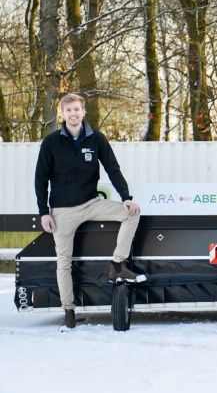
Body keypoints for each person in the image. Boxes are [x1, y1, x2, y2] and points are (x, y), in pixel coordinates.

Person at [34, 93, 145, 330]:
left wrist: (126, 198)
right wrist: (44, 212)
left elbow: (113, 169)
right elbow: (40, 179)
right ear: (62, 114)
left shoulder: (96, 139)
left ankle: (117, 264)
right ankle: (69, 311)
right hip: (62, 211)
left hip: (91, 203)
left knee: (132, 213)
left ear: (84, 112)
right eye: (68, 110)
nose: (73, 114)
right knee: (63, 261)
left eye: (77, 109)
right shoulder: (51, 143)